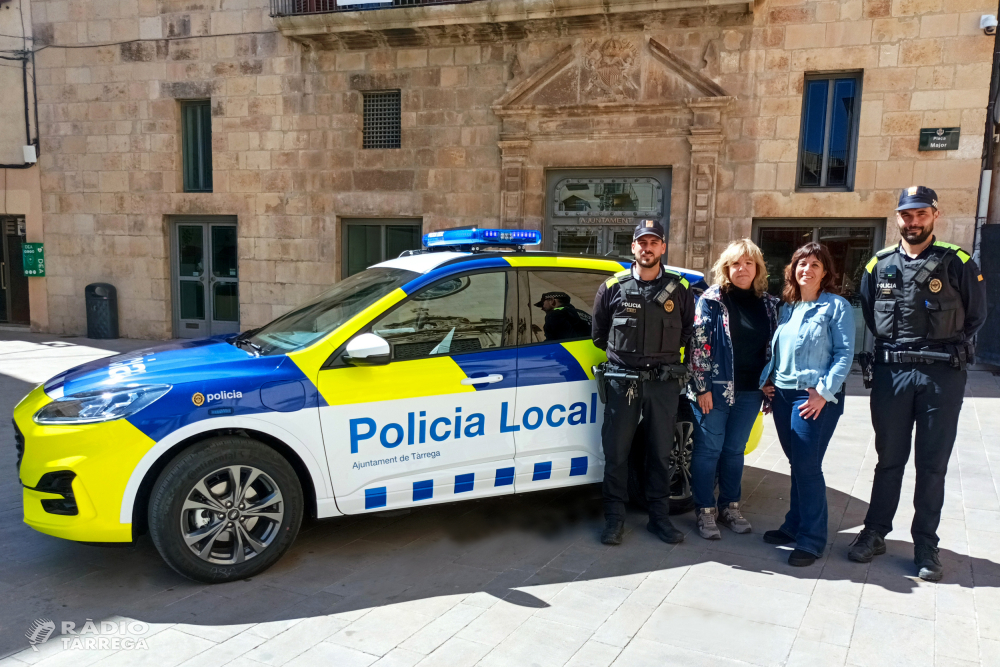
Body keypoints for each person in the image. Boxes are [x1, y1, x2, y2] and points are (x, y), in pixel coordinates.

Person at [848, 186, 987, 581]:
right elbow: (873, 317)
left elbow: (976, 315)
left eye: (921, 214)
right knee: (888, 459)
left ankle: (926, 542)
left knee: (932, 464)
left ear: (935, 216)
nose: (913, 222)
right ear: (897, 219)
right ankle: (875, 532)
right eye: (907, 215)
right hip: (893, 374)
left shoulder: (957, 262)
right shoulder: (879, 264)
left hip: (942, 375)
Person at [592, 220, 695, 546]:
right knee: (617, 454)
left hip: (663, 385)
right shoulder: (612, 288)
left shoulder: (680, 289)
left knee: (660, 453)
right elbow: (599, 336)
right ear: (633, 247)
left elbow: (687, 334)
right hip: (624, 384)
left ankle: (659, 519)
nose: (647, 248)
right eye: (642, 242)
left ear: (663, 247)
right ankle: (614, 520)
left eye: (654, 242)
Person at [759, 242, 855, 566]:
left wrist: (823, 393)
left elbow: (844, 354)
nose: (807, 270)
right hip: (784, 394)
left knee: (807, 467)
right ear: (793, 270)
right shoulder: (788, 308)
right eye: (802, 264)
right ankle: (794, 524)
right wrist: (768, 380)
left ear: (825, 271)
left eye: (815, 264)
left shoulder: (836, 307)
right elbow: (778, 351)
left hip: (813, 397)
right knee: (796, 464)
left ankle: (812, 539)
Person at [688, 239, 780, 540]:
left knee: (734, 452)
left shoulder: (769, 304)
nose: (742, 269)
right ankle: (705, 511)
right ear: (726, 268)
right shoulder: (712, 300)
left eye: (748, 263)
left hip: (750, 391)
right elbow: (698, 347)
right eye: (736, 263)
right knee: (707, 451)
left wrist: (770, 383)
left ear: (757, 268)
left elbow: (773, 349)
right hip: (713, 390)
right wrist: (701, 387)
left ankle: (730, 506)